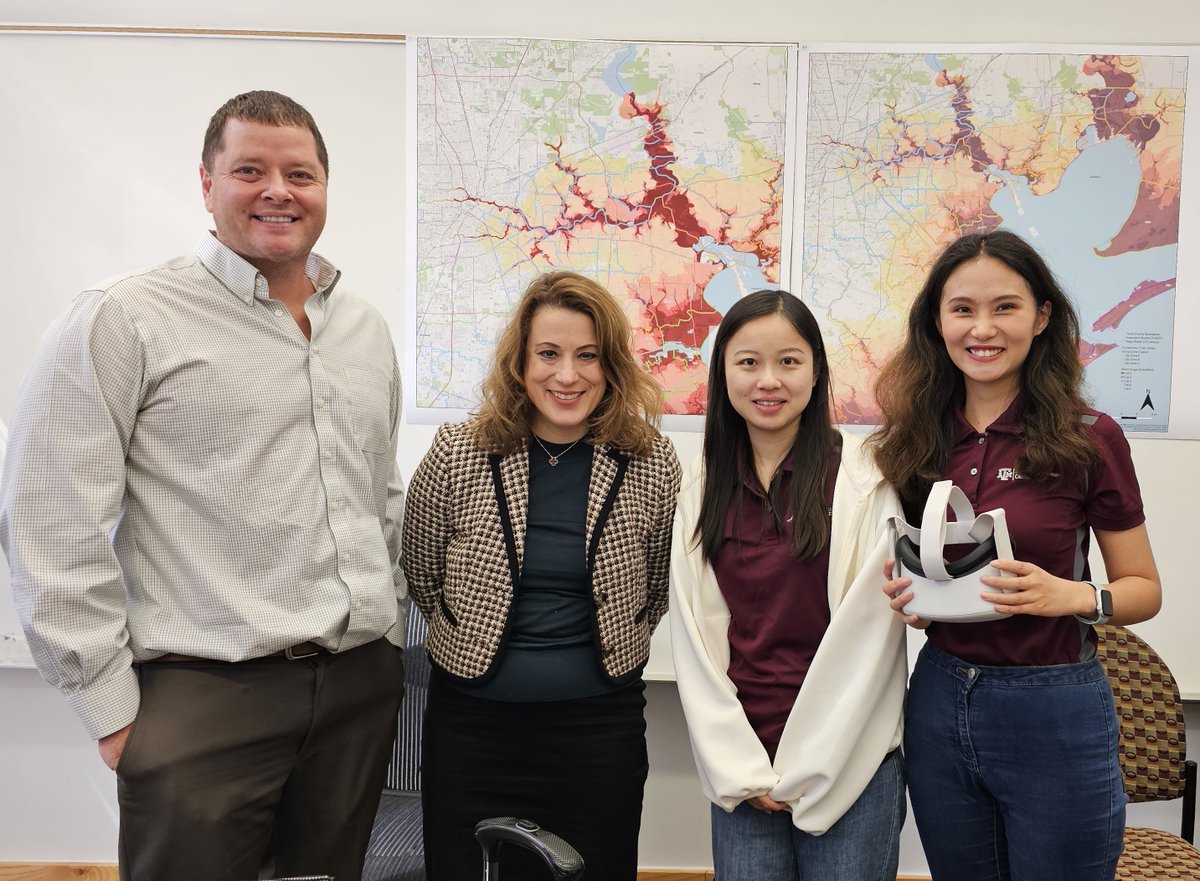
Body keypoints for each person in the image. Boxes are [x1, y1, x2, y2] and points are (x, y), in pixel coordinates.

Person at [0, 91, 407, 881]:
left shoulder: (364, 329)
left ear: (325, 186)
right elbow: (53, 517)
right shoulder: (124, 317)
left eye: (300, 173)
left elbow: (377, 492)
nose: (278, 191)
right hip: (203, 695)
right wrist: (112, 712)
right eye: (249, 169)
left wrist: (383, 635)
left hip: (355, 686)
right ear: (206, 182)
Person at [873, 229, 1162, 881]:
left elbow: (1144, 588)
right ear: (937, 321)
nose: (983, 327)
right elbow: (921, 561)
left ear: (1041, 317)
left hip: (1054, 707)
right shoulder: (915, 438)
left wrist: (1074, 595)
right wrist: (915, 596)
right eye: (963, 308)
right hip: (940, 697)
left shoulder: (1089, 438)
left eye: (1005, 306)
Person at [402, 270, 681, 881]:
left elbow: (656, 586)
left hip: (597, 732)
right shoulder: (458, 452)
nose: (567, 375)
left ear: (610, 366)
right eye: (548, 354)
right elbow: (421, 574)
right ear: (519, 362)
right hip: (472, 728)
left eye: (588, 356)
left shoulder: (650, 460)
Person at [669, 289, 907, 880]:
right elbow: (695, 642)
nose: (768, 380)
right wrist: (740, 767)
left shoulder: (864, 483)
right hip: (746, 764)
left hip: (851, 760)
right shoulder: (702, 489)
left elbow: (870, 646)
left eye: (789, 361)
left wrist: (812, 762)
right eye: (748, 362)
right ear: (723, 371)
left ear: (817, 370)